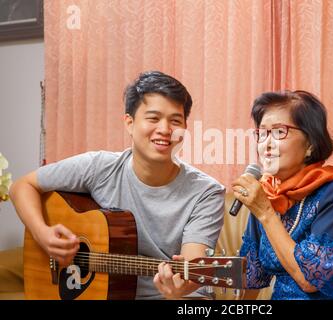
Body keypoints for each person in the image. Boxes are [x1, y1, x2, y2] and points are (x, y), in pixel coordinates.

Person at [10, 71, 225, 300]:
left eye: (175, 121)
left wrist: (180, 288)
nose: (164, 129)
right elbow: (22, 186)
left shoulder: (206, 192)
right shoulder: (99, 167)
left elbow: (192, 268)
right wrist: (43, 233)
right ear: (129, 123)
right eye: (153, 118)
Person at [231, 90, 333, 300]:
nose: (266, 144)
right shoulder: (267, 195)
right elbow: (251, 278)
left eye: (279, 132)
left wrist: (265, 213)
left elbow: (310, 280)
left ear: (310, 144)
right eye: (262, 133)